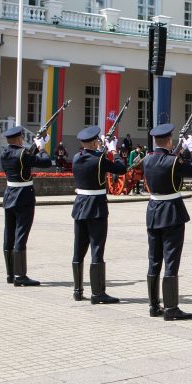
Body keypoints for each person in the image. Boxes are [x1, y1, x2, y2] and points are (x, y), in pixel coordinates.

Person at [143, 123, 192, 319]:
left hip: (153, 211)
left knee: (154, 260)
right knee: (171, 260)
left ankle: (154, 306)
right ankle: (170, 308)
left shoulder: (147, 160)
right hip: (171, 212)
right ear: (169, 141)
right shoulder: (172, 161)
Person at [70, 126, 128, 304]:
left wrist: (101, 151)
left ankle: (78, 290)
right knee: (97, 249)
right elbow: (121, 169)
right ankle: (98, 293)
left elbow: (92, 162)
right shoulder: (101, 158)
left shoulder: (76, 158)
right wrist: (112, 150)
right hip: (96, 208)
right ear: (95, 141)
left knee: (78, 250)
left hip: (80, 206)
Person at [0, 126, 51, 286]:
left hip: (9, 195)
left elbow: (25, 161)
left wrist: (37, 145)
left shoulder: (5, 153)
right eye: (21, 137)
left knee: (9, 235)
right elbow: (46, 162)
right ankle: (21, 276)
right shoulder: (23, 153)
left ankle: (10, 274)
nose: (23, 139)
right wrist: (42, 147)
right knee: (21, 235)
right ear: (18, 139)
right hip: (23, 197)